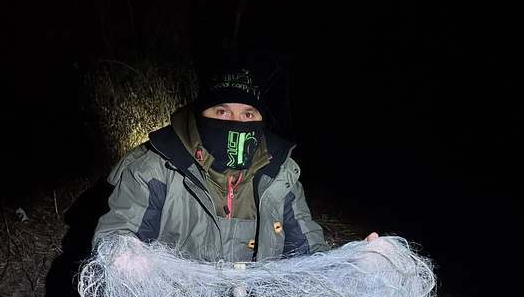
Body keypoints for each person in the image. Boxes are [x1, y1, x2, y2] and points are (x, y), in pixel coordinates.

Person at [92, 55, 379, 266]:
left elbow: (308, 250)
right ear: (201, 113)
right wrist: (124, 259)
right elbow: (117, 235)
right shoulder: (153, 166)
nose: (236, 122)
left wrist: (351, 263)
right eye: (222, 112)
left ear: (261, 121)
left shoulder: (280, 174)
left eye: (248, 114)